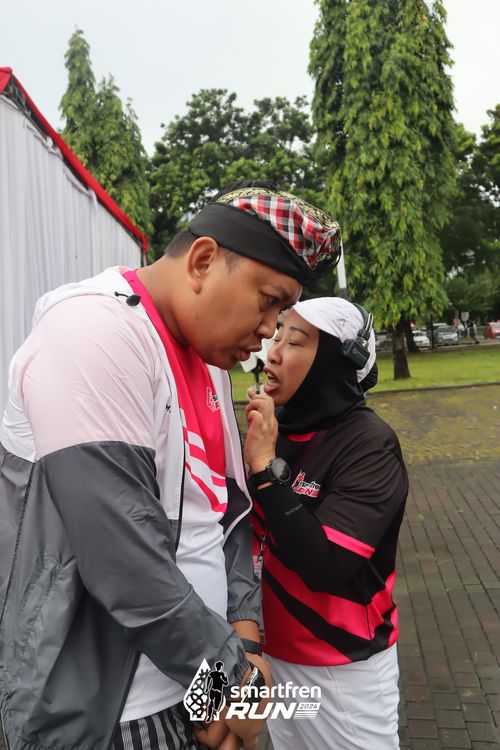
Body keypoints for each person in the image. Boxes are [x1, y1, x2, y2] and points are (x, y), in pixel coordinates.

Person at [0, 180, 341, 750]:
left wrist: (244, 647)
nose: (268, 331)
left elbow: (226, 515)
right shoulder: (93, 332)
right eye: (268, 301)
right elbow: (124, 558)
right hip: (114, 713)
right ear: (203, 261)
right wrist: (233, 686)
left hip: (194, 683)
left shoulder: (207, 361)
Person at [244, 297, 408, 750]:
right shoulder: (274, 429)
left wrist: (265, 469)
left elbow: (326, 566)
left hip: (341, 670)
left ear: (334, 364)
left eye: (294, 342)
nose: (273, 352)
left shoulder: (370, 444)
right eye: (277, 336)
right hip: (269, 654)